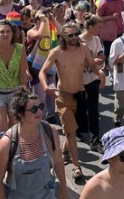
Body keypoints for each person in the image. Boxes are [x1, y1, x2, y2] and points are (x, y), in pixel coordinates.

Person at [39, 21, 105, 182]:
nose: (75, 37)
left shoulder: (83, 49)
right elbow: (42, 71)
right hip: (63, 97)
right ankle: (77, 166)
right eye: (71, 35)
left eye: (77, 34)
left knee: (75, 131)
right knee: (70, 131)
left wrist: (100, 73)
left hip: (80, 95)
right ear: (64, 37)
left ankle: (64, 151)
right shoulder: (56, 52)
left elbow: (92, 65)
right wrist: (46, 87)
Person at [0, 87, 68, 199]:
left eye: (41, 107)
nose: (40, 112)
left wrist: (64, 191)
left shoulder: (50, 132)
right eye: (33, 109)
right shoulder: (6, 144)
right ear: (20, 114)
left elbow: (58, 162)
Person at [0, 20, 29, 132]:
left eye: (8, 31)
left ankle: (12, 149)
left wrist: (24, 96)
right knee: (1, 128)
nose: (5, 34)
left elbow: (23, 75)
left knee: (15, 128)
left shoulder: (20, 49)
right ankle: (3, 149)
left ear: (13, 33)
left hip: (15, 93)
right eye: (2, 31)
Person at [78, 14, 107, 152]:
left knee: (94, 110)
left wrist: (100, 58)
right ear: (89, 27)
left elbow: (99, 52)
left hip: (92, 79)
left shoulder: (96, 39)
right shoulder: (78, 41)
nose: (100, 30)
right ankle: (79, 131)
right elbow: (75, 63)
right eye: (98, 27)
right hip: (79, 81)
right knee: (81, 109)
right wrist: (90, 62)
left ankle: (95, 139)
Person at [96, 0, 124, 72]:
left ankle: (118, 67)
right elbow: (98, 17)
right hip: (108, 31)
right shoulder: (104, 2)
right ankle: (106, 67)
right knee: (108, 50)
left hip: (119, 28)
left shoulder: (120, 0)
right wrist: (111, 17)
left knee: (119, 48)